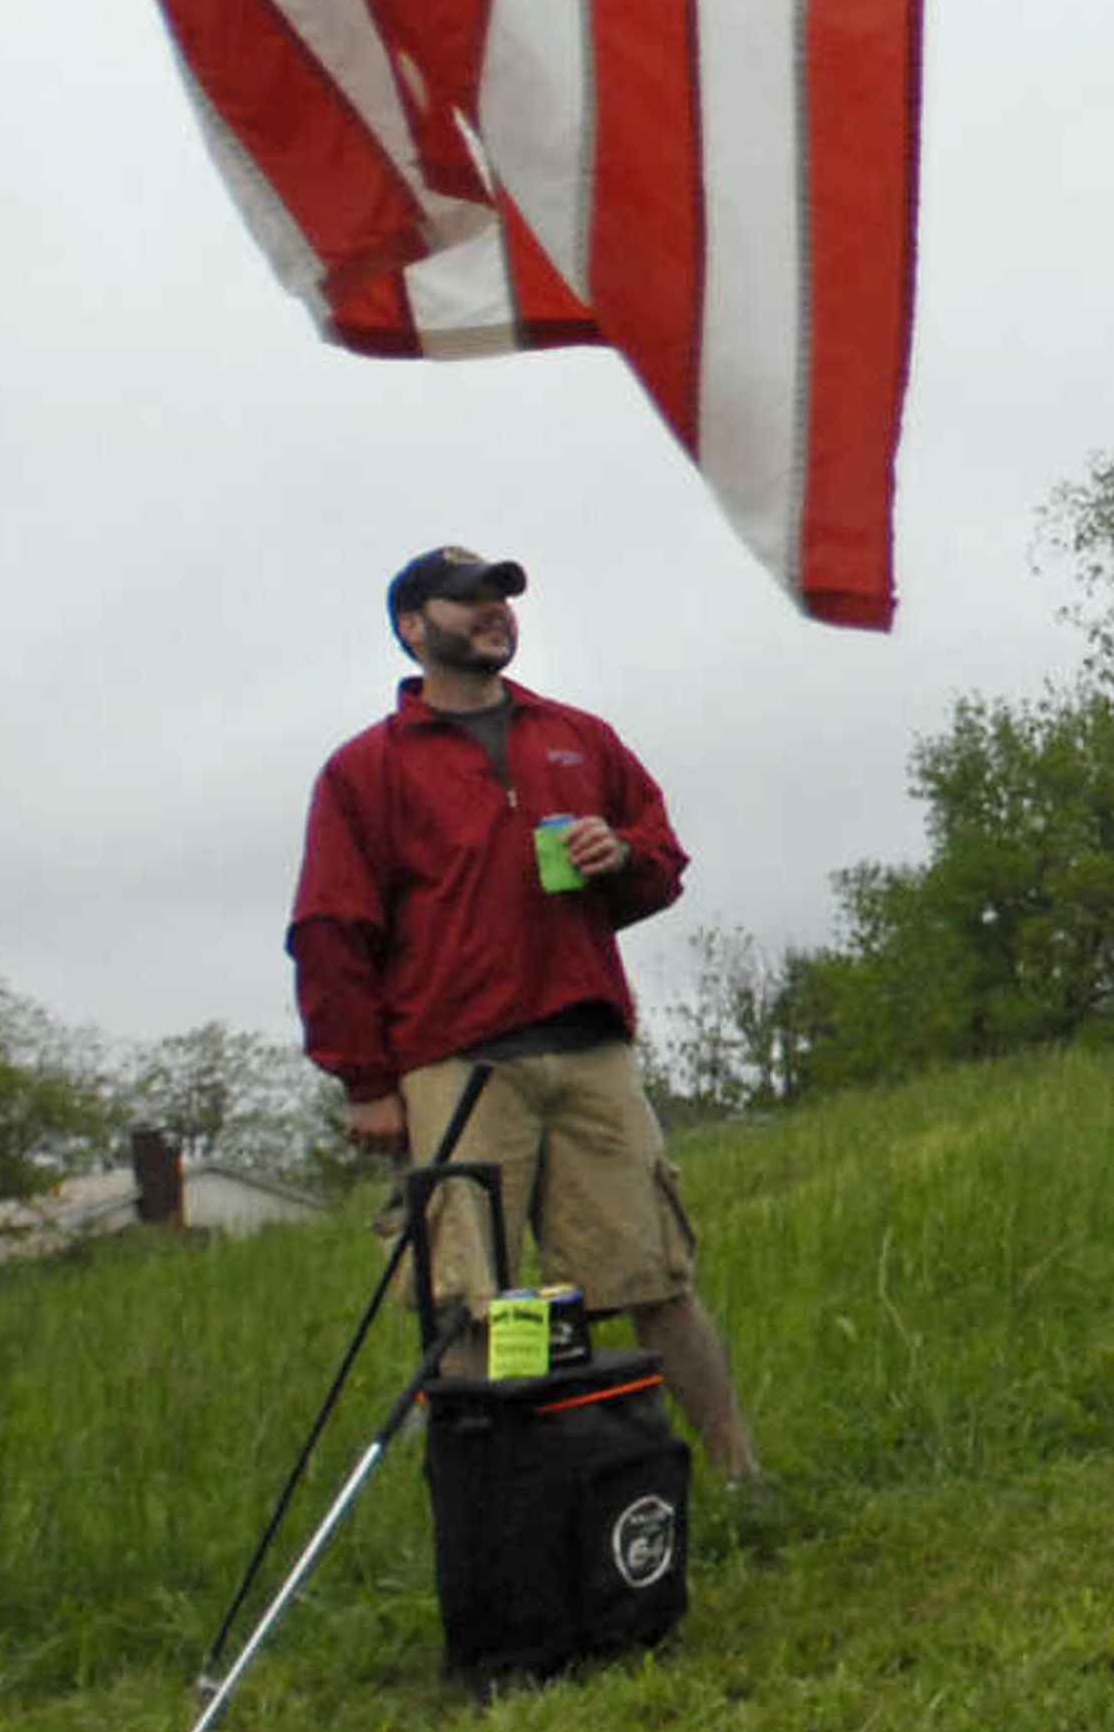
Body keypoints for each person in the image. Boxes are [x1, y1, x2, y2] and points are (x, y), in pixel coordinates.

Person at [289, 545, 765, 1491]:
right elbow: (332, 927)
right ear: (414, 627)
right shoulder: (367, 770)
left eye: (500, 598)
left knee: (656, 1279)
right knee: (469, 1299)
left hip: (587, 1049)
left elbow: (661, 857)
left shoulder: (577, 737)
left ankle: (741, 1485)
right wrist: (367, 1082)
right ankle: (494, 1511)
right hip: (453, 1065)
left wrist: (617, 855)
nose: (492, 612)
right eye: (466, 602)